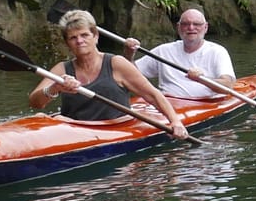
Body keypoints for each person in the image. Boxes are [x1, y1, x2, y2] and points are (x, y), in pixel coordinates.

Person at [33, 8, 190, 138]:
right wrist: (55, 88)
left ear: (95, 36)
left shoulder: (116, 63)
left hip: (115, 130)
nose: (79, 41)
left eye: (84, 35)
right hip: (75, 132)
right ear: (67, 43)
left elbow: (152, 95)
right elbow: (35, 103)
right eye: (73, 38)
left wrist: (175, 122)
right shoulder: (61, 69)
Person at [125, 7, 235, 99]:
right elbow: (128, 74)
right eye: (186, 24)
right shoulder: (163, 50)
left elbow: (228, 85)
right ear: (178, 27)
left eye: (196, 24)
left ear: (205, 27)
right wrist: (129, 54)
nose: (191, 28)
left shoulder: (217, 52)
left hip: (204, 105)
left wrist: (201, 79)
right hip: (166, 104)